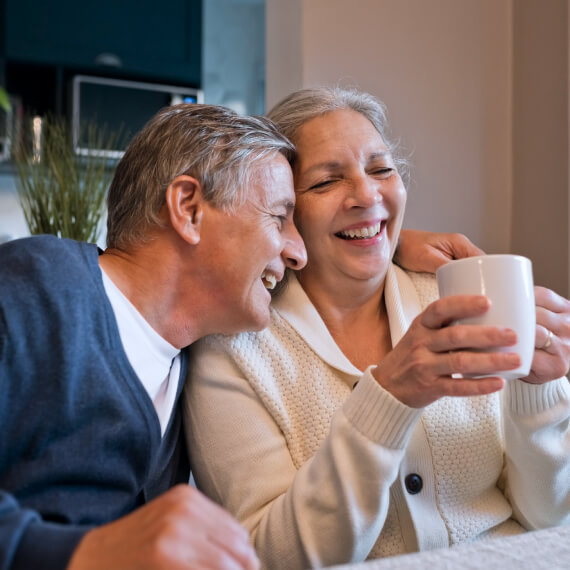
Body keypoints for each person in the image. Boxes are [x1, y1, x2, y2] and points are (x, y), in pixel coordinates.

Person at [0, 100, 479, 570]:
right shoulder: (35, 291)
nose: (298, 251)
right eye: (278, 217)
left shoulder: (190, 362)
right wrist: (85, 555)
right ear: (188, 208)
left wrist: (386, 242)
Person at [184, 87, 570, 570]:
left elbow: (550, 518)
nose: (367, 195)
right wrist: (387, 398)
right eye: (326, 182)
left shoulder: (457, 299)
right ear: (285, 209)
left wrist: (539, 396)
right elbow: (276, 557)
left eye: (382, 169)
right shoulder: (234, 346)